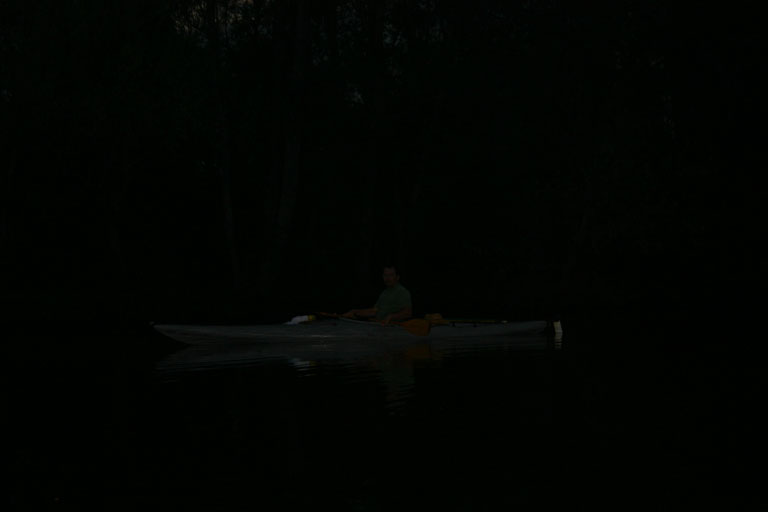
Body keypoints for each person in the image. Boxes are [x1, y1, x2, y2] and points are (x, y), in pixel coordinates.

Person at [342, 265, 413, 325]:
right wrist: (355, 312)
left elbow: (408, 313)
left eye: (391, 275)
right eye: (385, 275)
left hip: (393, 328)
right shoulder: (385, 292)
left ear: (397, 277)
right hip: (378, 326)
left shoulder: (402, 292)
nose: (387, 278)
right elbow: (374, 311)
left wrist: (391, 317)